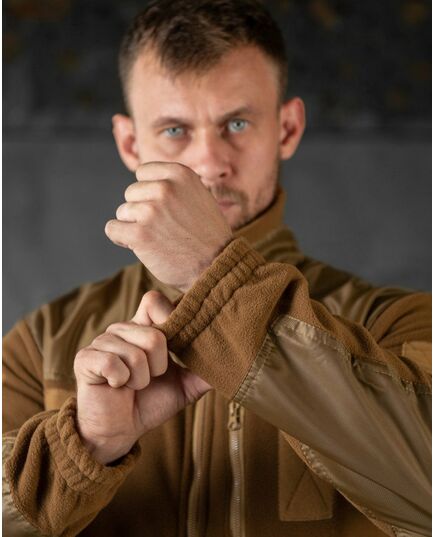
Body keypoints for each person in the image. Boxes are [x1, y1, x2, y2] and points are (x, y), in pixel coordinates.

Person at [3, 1, 431, 536]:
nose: (208, 163)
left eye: (237, 123)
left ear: (287, 128)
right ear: (131, 143)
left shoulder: (398, 322)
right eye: (175, 130)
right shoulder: (38, 345)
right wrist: (88, 445)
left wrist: (211, 271)